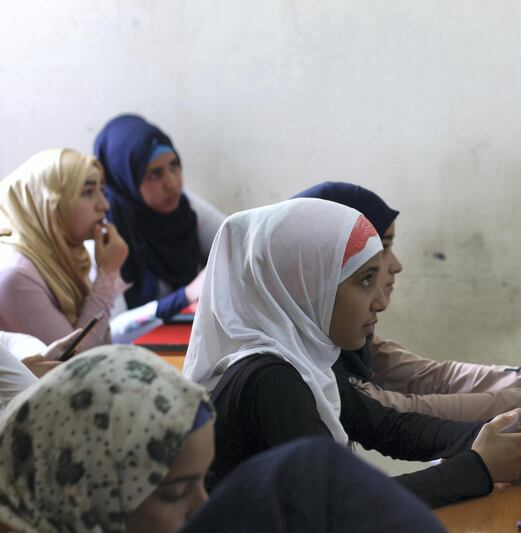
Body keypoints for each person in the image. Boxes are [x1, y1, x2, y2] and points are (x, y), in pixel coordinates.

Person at [183, 198, 521, 508]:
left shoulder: (301, 360)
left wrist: (493, 435)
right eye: (365, 281)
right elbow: (342, 507)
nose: (380, 301)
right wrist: (477, 467)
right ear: (307, 285)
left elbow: (387, 426)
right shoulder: (269, 379)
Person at [0, 345, 446, 533]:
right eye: (175, 491)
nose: (202, 507)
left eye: (201, 482)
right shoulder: (272, 379)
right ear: (86, 487)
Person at [293, 181, 521, 421]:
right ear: (328, 263)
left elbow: (432, 377)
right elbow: (393, 414)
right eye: (383, 247)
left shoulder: (338, 336)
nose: (396, 265)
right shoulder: (288, 360)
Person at [93, 114, 225, 341]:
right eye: (154, 174)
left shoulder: (184, 207)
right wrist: (184, 297)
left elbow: (237, 242)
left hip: (190, 339)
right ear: (126, 178)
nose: (172, 183)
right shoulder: (104, 234)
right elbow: (111, 333)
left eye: (174, 166)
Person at [0, 149, 129, 349]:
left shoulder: (63, 251)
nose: (104, 205)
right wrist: (108, 274)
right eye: (87, 192)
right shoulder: (15, 276)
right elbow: (74, 363)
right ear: (48, 204)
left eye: (101, 190)